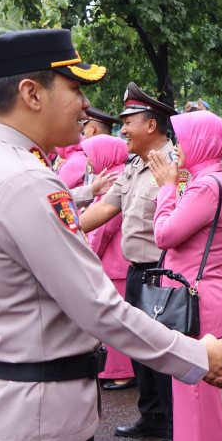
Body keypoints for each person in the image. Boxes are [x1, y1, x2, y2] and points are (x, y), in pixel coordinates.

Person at [0, 28, 222, 441]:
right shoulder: (26, 180)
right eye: (76, 88)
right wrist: (198, 356)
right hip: (36, 418)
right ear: (32, 93)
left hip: (9, 406)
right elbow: (99, 307)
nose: (86, 106)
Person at [79, 82, 178, 441]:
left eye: (128, 122)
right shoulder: (133, 166)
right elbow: (104, 209)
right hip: (137, 273)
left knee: (162, 357)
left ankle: (174, 432)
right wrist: (65, 233)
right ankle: (151, 416)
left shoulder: (175, 166)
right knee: (140, 351)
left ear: (151, 125)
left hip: (162, 274)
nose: (121, 130)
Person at [148, 110, 222, 441]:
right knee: (189, 393)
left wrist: (167, 188)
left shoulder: (206, 186)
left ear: (200, 142)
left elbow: (164, 234)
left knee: (198, 395)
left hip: (198, 299)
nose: (175, 148)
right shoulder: (206, 180)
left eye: (181, 139)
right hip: (196, 295)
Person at [81, 133, 135, 389]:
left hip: (114, 262)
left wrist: (88, 252)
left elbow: (104, 227)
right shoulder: (117, 172)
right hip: (119, 260)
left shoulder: (115, 177)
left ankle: (122, 371)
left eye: (91, 155)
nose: (88, 161)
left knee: (116, 320)